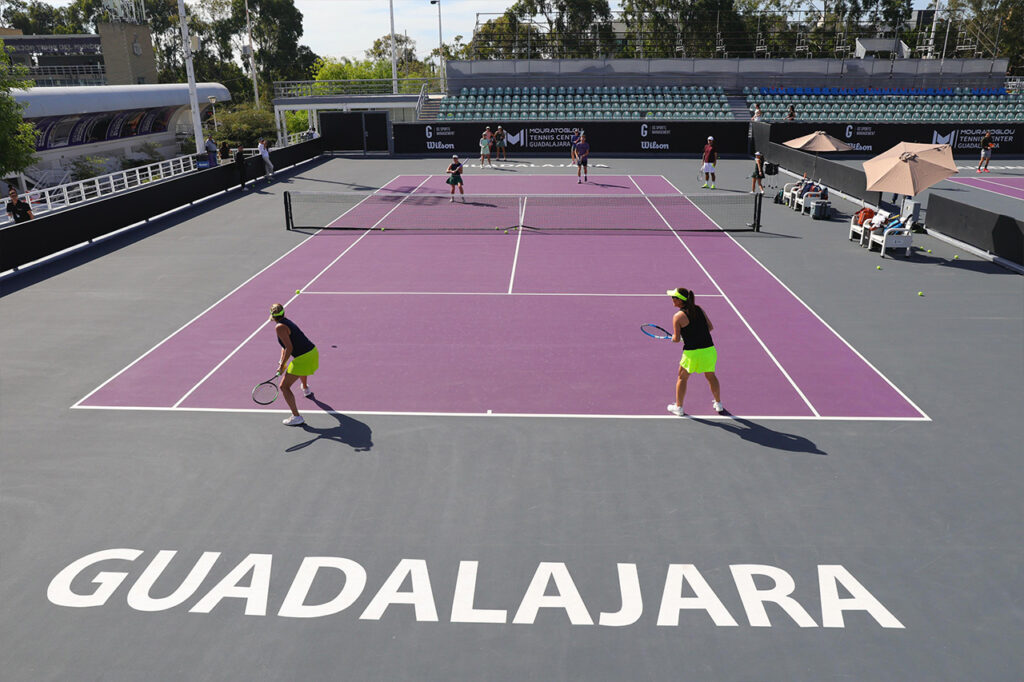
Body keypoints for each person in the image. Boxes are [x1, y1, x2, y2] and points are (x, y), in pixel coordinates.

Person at [664, 287, 723, 416]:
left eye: (673, 297)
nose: (671, 299)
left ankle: (678, 408)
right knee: (711, 376)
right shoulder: (699, 309)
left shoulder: (678, 316)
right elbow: (710, 327)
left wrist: (675, 338)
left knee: (682, 378)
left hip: (692, 353)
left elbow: (676, 339)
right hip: (709, 350)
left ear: (680, 300)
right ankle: (718, 404)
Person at [269, 303, 317, 426]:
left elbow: (289, 348)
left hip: (304, 358)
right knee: (300, 369)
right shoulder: (287, 322)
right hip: (312, 352)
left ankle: (296, 417)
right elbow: (285, 346)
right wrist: (282, 361)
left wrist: (282, 366)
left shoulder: (279, 327)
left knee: (284, 387)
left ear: (272, 315)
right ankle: (305, 388)